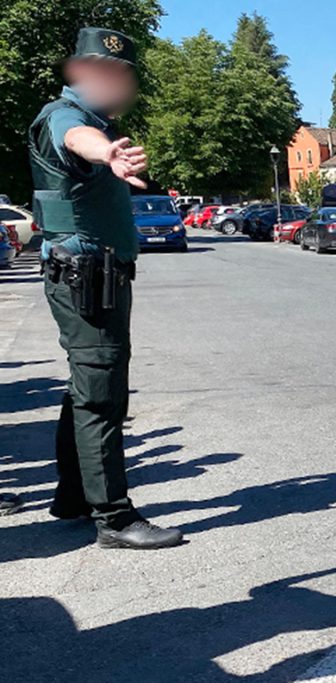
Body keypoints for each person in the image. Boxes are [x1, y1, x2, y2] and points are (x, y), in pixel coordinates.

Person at [30, 28, 183, 549]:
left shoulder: (95, 120)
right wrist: (107, 155)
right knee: (101, 395)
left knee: (86, 390)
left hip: (96, 274)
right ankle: (114, 519)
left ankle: (74, 496)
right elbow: (76, 140)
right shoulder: (66, 117)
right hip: (85, 277)